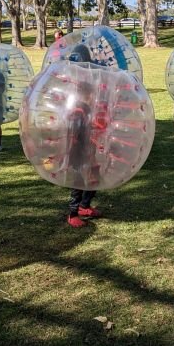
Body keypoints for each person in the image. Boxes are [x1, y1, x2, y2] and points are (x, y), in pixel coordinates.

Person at [65, 44, 105, 228]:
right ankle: (72, 213)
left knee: (94, 173)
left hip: (90, 145)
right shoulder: (77, 108)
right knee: (79, 178)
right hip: (78, 148)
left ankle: (85, 205)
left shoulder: (87, 104)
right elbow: (73, 131)